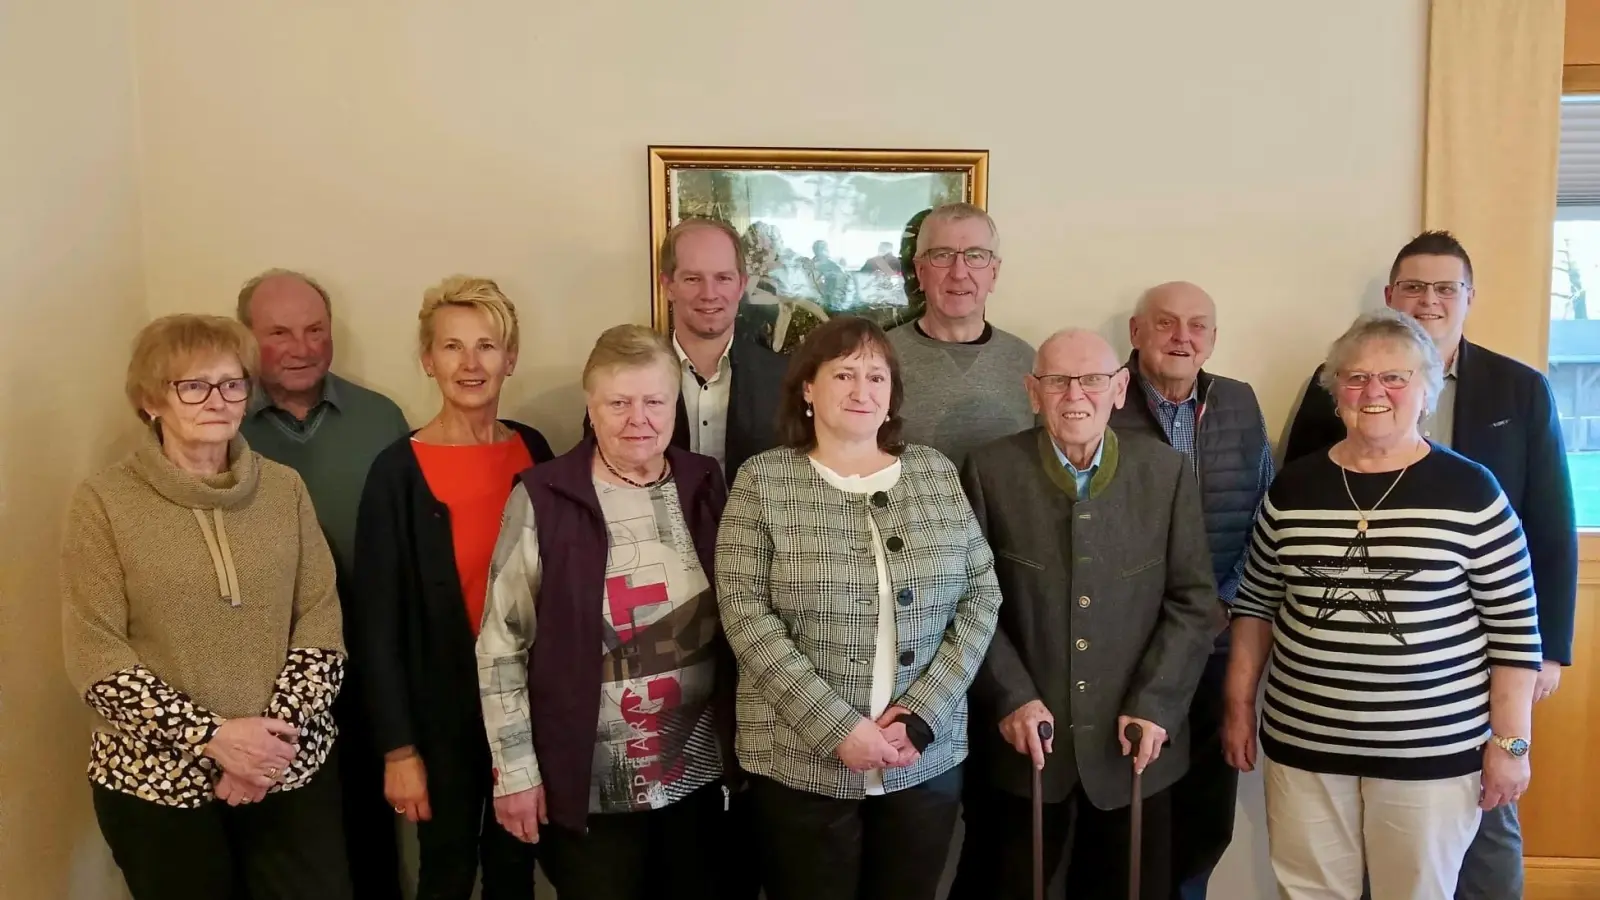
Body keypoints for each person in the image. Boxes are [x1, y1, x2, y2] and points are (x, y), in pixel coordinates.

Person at [1281, 232, 1574, 900]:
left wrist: (1546, 650)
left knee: (1487, 825)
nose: (1429, 299)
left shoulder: (1518, 387)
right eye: (1414, 287)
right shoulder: (1340, 381)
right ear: (1391, 297)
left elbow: (1551, 527)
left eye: (1446, 288)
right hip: (1351, 702)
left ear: (1469, 298)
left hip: (1480, 663)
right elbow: (1297, 489)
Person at [1226, 309, 1540, 900]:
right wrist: (1239, 706)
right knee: (1309, 892)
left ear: (1426, 391)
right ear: (1336, 392)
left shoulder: (1473, 492)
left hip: (1433, 755)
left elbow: (1516, 635)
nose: (1374, 392)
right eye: (1355, 377)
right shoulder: (1292, 488)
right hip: (1304, 747)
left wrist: (1511, 745)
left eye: (1395, 378)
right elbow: (1256, 607)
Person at [61, 314, 351, 899]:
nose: (216, 400)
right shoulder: (104, 502)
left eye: (232, 382)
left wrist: (264, 750)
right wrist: (213, 739)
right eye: (192, 386)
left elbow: (321, 623)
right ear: (151, 401)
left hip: (288, 771)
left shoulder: (284, 489)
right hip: (157, 787)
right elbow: (96, 653)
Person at [715, 315, 1003, 900]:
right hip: (799, 764)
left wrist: (921, 713)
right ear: (807, 388)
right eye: (843, 374)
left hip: (923, 761)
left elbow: (981, 594)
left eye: (876, 376)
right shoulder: (762, 481)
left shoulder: (935, 473)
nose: (861, 390)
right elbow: (745, 615)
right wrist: (837, 727)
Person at [951, 328, 1222, 900]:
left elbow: (1193, 601)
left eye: (1093, 379)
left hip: (1135, 750)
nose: (1076, 393)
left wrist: (1156, 704)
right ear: (1033, 391)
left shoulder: (1165, 472)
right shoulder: (989, 470)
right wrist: (1011, 697)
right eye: (1057, 380)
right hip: (1023, 747)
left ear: (1119, 388)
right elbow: (968, 600)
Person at [477, 325, 740, 900]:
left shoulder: (704, 483)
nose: (637, 419)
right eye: (619, 403)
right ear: (590, 406)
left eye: (653, 402)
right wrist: (516, 774)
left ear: (675, 405)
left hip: (699, 774)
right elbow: (502, 645)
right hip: (593, 783)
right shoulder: (545, 496)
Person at [352, 277, 552, 900]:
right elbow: (376, 624)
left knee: (516, 866)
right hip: (438, 715)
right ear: (427, 360)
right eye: (452, 347)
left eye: (487, 346)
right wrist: (397, 750)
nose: (471, 363)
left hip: (523, 706)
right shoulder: (396, 472)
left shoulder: (534, 450)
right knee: (445, 870)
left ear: (510, 359)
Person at [236, 267, 410, 898]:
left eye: (315, 329)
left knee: (368, 821)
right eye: (279, 332)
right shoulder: (223, 424)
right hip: (258, 671)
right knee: (285, 839)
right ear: (247, 337)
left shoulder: (380, 417)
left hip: (364, 659)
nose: (302, 346)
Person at [1108, 282, 1273, 900]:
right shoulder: (1103, 397)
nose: (1183, 337)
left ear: (1212, 339)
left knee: (1207, 799)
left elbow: (1265, 510)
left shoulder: (1237, 401)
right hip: (1129, 640)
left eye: (1197, 326)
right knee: (1130, 795)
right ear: (1136, 332)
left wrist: (1226, 603)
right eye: (1167, 323)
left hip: (1218, 635)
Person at [887, 202, 1034, 466]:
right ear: (921, 272)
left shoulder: (1027, 361)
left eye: (975, 256)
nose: (958, 273)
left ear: (994, 272)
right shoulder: (880, 360)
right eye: (942, 255)